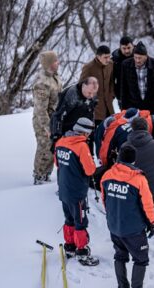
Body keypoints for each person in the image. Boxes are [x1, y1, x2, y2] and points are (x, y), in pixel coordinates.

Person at [101, 145, 154, 288]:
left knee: (120, 256)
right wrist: (152, 223)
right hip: (133, 229)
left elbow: (105, 200)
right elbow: (148, 204)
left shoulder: (107, 175)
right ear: (133, 160)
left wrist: (113, 217)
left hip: (114, 226)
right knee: (141, 259)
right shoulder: (139, 179)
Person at [124, 117, 154, 263]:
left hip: (135, 193)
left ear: (132, 129)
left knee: (137, 222)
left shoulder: (126, 146)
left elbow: (122, 169)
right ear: (147, 128)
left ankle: (138, 249)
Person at [55, 118, 100, 266]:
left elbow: (57, 163)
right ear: (84, 132)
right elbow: (90, 170)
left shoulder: (61, 142)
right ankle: (82, 252)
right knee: (80, 221)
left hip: (63, 189)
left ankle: (70, 247)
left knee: (69, 219)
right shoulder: (81, 146)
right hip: (77, 191)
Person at [32, 50, 62, 185]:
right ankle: (39, 176)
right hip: (43, 122)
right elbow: (40, 110)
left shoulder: (54, 76)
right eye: (55, 61)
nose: (58, 62)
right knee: (45, 148)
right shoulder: (42, 83)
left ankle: (46, 175)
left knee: (51, 149)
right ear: (49, 64)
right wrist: (48, 127)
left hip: (54, 119)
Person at [119, 42, 154, 114]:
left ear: (146, 56)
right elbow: (123, 89)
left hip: (153, 107)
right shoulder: (126, 64)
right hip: (133, 107)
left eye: (140, 58)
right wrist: (123, 110)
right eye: (135, 57)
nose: (137, 60)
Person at [50, 77, 99, 142]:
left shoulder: (91, 96)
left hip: (82, 132)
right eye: (89, 93)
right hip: (66, 131)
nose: (91, 96)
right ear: (83, 86)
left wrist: (92, 133)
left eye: (94, 93)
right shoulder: (72, 94)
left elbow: (91, 116)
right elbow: (58, 115)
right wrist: (56, 135)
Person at [80, 45, 115, 123]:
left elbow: (111, 82)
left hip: (109, 107)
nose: (108, 59)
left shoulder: (111, 64)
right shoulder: (89, 67)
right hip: (95, 109)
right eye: (105, 57)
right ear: (98, 57)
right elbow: (81, 86)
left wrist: (111, 95)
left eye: (109, 57)